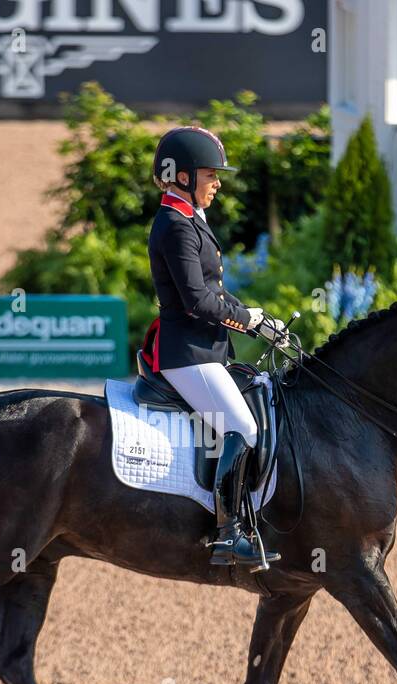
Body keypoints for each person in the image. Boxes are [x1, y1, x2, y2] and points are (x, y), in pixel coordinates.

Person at [146, 126, 286, 570]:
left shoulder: (189, 219)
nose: (218, 183)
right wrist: (248, 320)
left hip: (207, 351)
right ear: (183, 176)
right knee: (244, 429)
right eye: (211, 174)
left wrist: (257, 317)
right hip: (187, 355)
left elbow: (214, 291)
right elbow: (197, 301)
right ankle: (230, 534)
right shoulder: (174, 225)